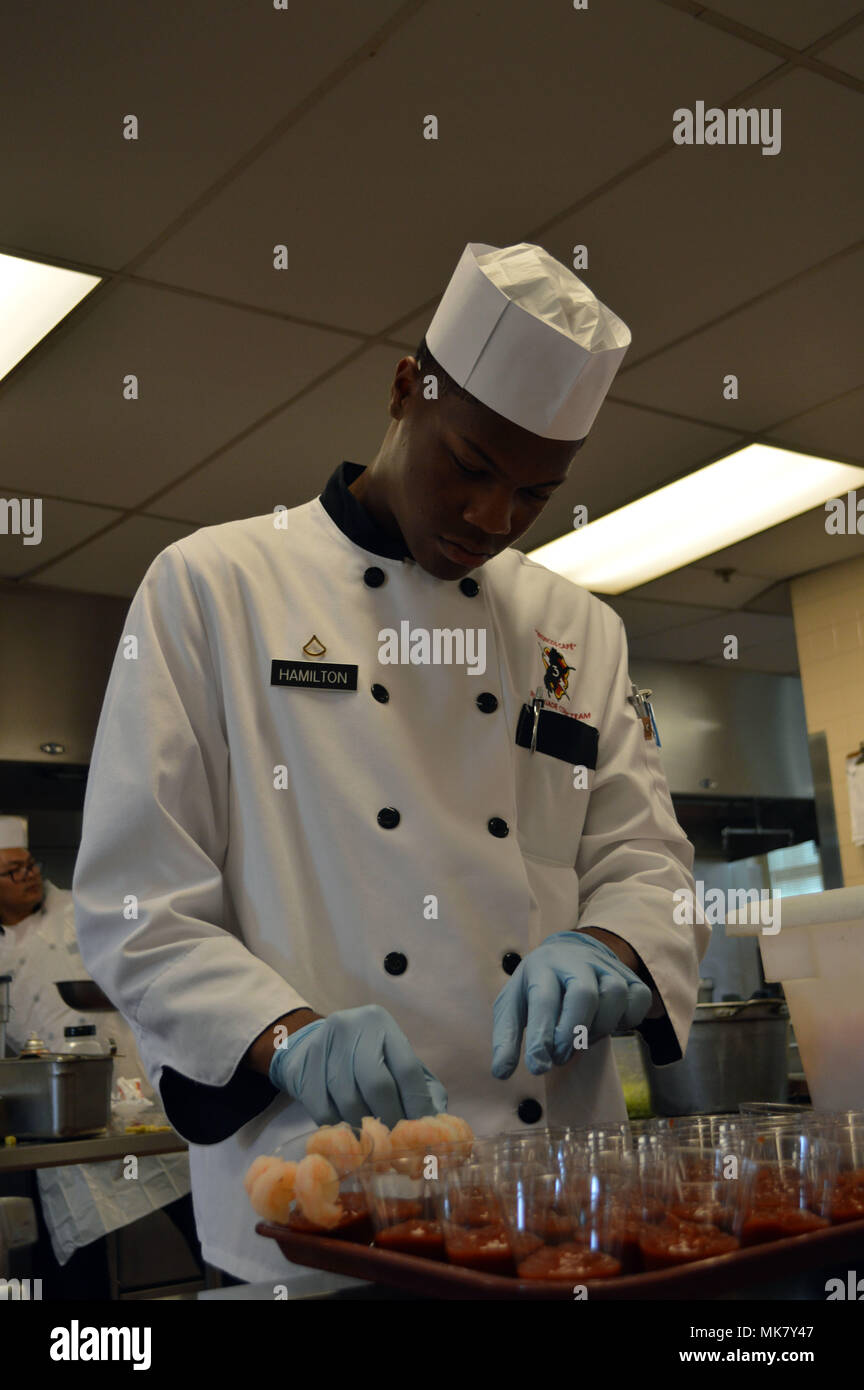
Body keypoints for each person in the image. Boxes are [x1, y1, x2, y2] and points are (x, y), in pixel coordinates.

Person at [73, 240, 710, 1284]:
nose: (491, 521)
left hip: (546, 1202)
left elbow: (648, 860)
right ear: (406, 388)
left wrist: (610, 945)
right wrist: (284, 1033)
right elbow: (136, 902)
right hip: (319, 1197)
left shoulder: (576, 629)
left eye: (534, 495)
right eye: (470, 467)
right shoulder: (213, 587)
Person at [0, 816, 197, 1297]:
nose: (28, 876)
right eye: (12, 871)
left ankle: (238, 1283)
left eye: (29, 865)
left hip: (132, 1092)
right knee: (73, 1240)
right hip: (51, 1114)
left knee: (189, 1202)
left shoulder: (76, 908)